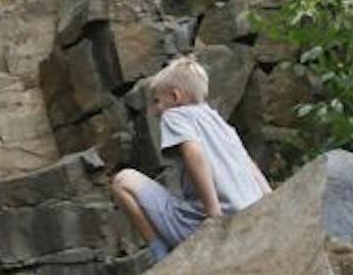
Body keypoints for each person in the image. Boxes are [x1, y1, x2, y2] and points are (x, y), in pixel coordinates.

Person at [110, 54, 272, 260]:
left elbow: (193, 153)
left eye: (157, 101)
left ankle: (159, 252)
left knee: (122, 181)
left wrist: (214, 216)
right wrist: (271, 201)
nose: (154, 111)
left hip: (204, 224)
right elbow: (248, 163)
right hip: (249, 215)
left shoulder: (175, 115)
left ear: (176, 97)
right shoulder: (219, 122)